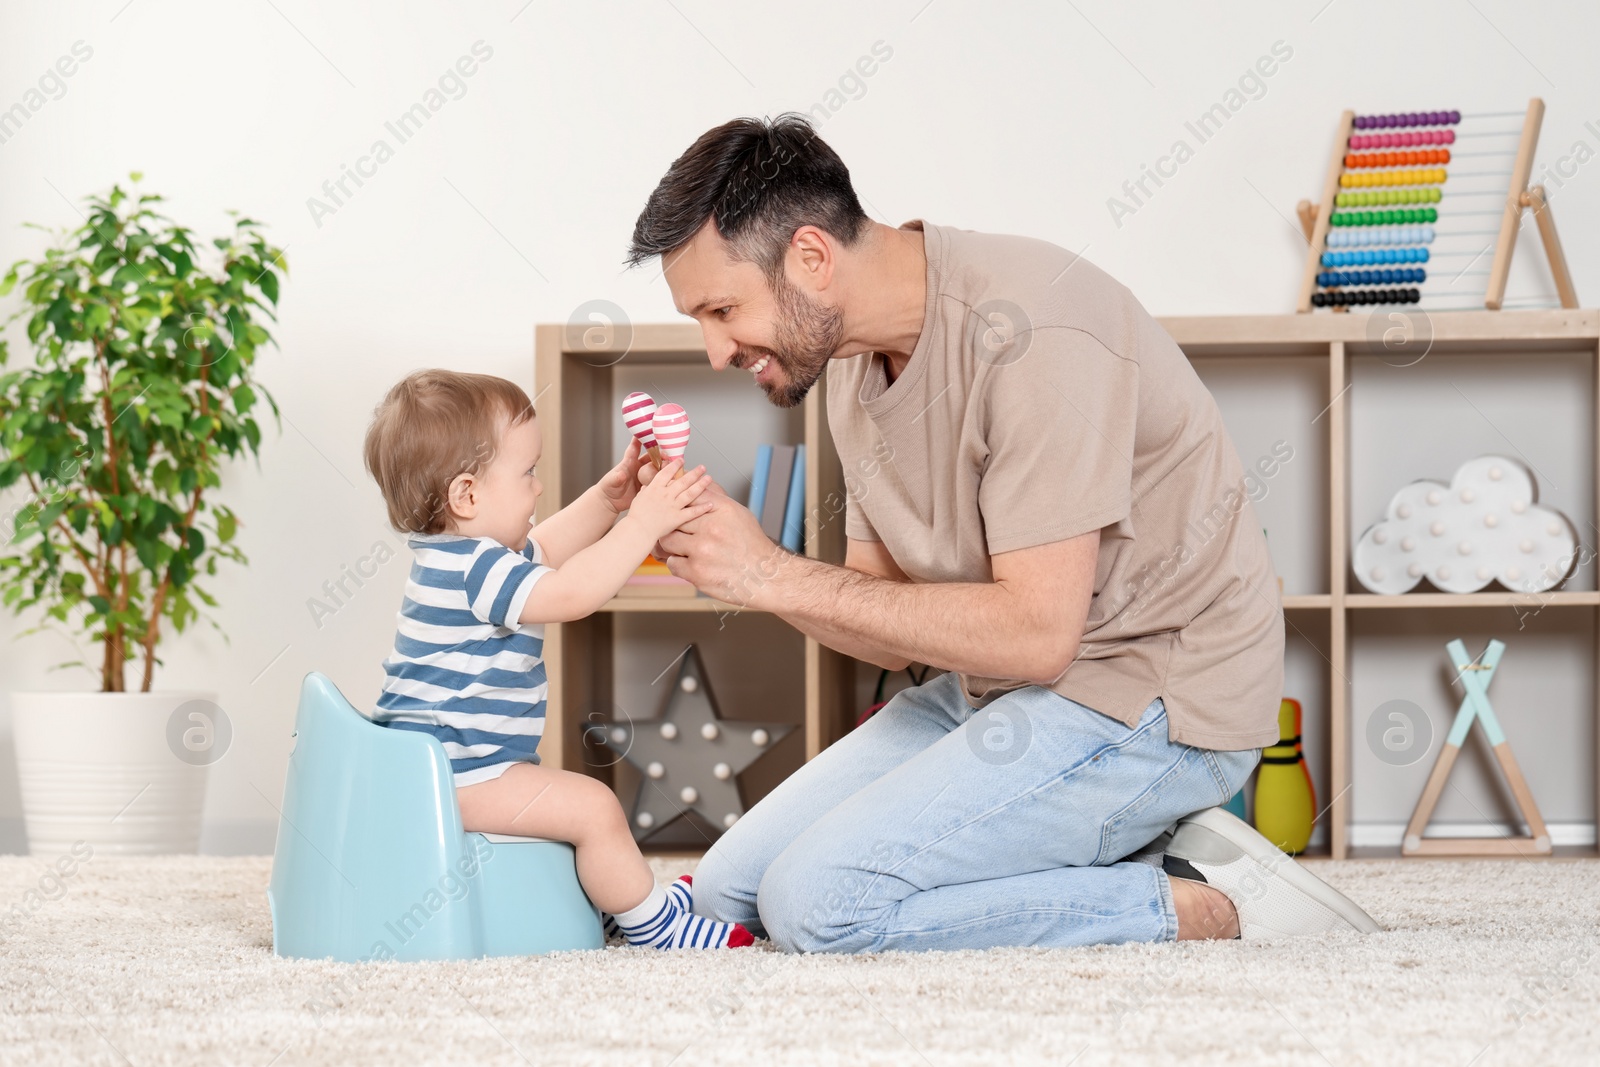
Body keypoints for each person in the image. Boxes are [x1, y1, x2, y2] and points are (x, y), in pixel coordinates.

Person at [623, 114, 1383, 951]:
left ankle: (1189, 902)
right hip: (997, 691)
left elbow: (1036, 635)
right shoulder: (847, 364)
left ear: (811, 256)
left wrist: (770, 575)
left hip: (1150, 703)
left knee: (819, 906)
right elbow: (883, 628)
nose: (714, 351)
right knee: (731, 892)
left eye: (722, 310)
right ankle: (1072, 844)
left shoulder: (1036, 329)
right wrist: (740, 572)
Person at [361, 368, 751, 949]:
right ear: (466, 495)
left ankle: (624, 899)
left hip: (452, 767)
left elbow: (547, 548)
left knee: (577, 809)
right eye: (528, 474)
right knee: (592, 809)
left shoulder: (465, 557)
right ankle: (655, 929)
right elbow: (571, 594)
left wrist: (609, 500)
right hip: (456, 775)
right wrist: (644, 524)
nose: (539, 489)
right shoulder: (478, 569)